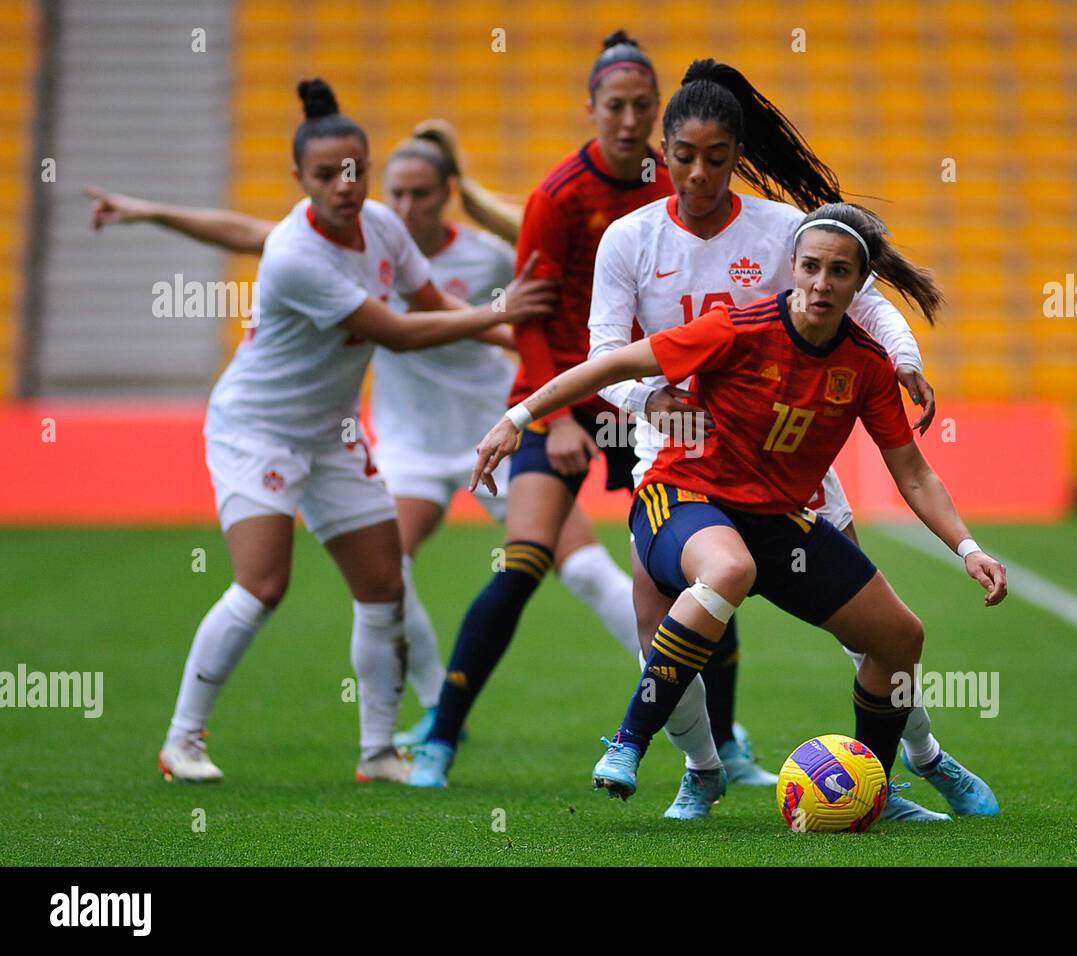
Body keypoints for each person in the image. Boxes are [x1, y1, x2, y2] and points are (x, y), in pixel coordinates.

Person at [87, 119, 644, 750]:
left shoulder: (466, 253)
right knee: (378, 575)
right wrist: (150, 212)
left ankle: (685, 705)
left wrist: (561, 377)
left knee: (583, 569)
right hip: (399, 444)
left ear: (446, 193)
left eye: (421, 193)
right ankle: (436, 705)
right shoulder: (334, 246)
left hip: (490, 435)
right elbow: (263, 242)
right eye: (398, 193)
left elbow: (524, 312)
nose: (405, 206)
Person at [472, 202, 1008, 821]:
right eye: (810, 267)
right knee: (725, 572)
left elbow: (913, 472)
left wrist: (969, 549)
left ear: (857, 284)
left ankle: (873, 789)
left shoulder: (864, 366)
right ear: (793, 268)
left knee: (899, 635)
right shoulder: (737, 328)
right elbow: (614, 362)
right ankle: (633, 745)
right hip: (681, 494)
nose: (820, 284)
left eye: (838, 273)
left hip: (780, 520)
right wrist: (517, 419)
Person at [586, 58, 997, 819]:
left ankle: (916, 762)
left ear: (738, 156)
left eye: (717, 159)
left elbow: (868, 302)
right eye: (684, 158)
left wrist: (904, 362)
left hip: (794, 468)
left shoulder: (785, 232)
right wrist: (651, 399)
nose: (700, 174)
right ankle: (704, 768)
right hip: (680, 461)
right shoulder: (629, 239)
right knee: (665, 644)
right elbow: (605, 350)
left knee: (876, 634)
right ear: (662, 153)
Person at [140, 78, 554, 783]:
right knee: (263, 584)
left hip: (332, 432)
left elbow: (429, 301)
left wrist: (529, 349)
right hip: (258, 429)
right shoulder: (296, 255)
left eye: (354, 170)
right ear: (298, 179)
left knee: (384, 583)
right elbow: (396, 332)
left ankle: (376, 751)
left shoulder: (384, 227)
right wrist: (499, 312)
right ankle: (183, 739)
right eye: (326, 175)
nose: (345, 185)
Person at [408, 30, 754, 790]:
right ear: (590, 107)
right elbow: (528, 316)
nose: (629, 120)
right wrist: (558, 418)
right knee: (524, 561)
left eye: (641, 107)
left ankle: (725, 745)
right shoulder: (560, 196)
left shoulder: (684, 182)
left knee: (709, 569)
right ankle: (440, 736)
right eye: (615, 106)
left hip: (654, 406)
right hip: (564, 396)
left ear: (658, 112)